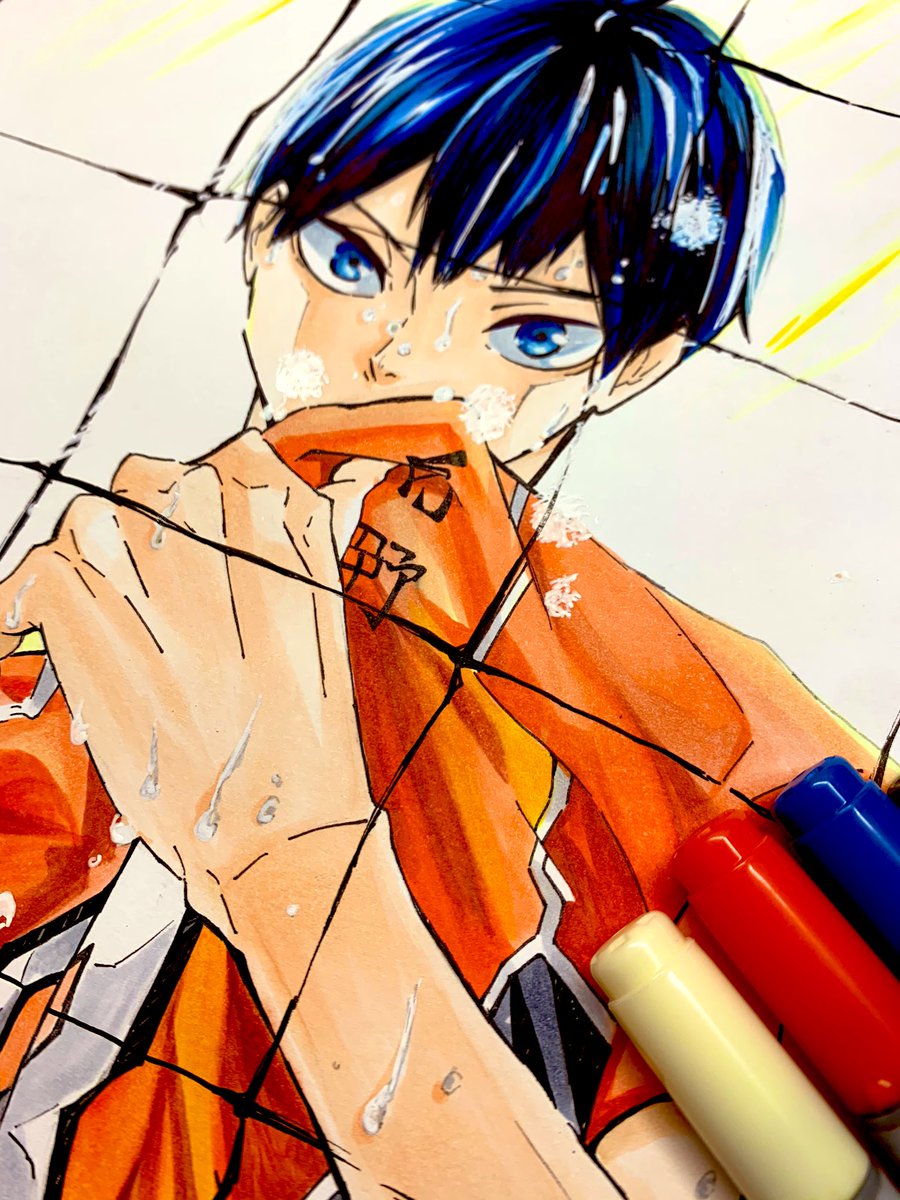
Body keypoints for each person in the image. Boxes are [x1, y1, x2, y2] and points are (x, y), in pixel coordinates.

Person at [0, 1, 889, 1196]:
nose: (400, 359)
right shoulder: (99, 573)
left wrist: (285, 838)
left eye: (533, 336)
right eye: (349, 262)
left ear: (635, 366)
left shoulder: (690, 715)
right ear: (261, 229)